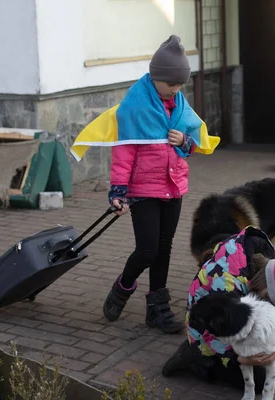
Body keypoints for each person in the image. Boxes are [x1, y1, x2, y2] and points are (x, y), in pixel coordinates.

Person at [70, 35, 220, 334]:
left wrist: (186, 141)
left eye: (180, 86)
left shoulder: (178, 105)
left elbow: (191, 146)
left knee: (164, 249)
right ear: (156, 78)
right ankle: (123, 287)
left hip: (173, 185)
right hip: (143, 191)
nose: (176, 91)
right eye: (172, 85)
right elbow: (123, 153)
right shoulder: (134, 107)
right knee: (147, 250)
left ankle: (157, 309)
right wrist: (118, 191)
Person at [162, 227, 275, 394]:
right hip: (203, 329)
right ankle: (195, 357)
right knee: (260, 377)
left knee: (272, 362)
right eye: (272, 298)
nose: (274, 303)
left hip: (229, 319)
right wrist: (241, 358)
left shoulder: (268, 261)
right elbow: (213, 326)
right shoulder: (224, 284)